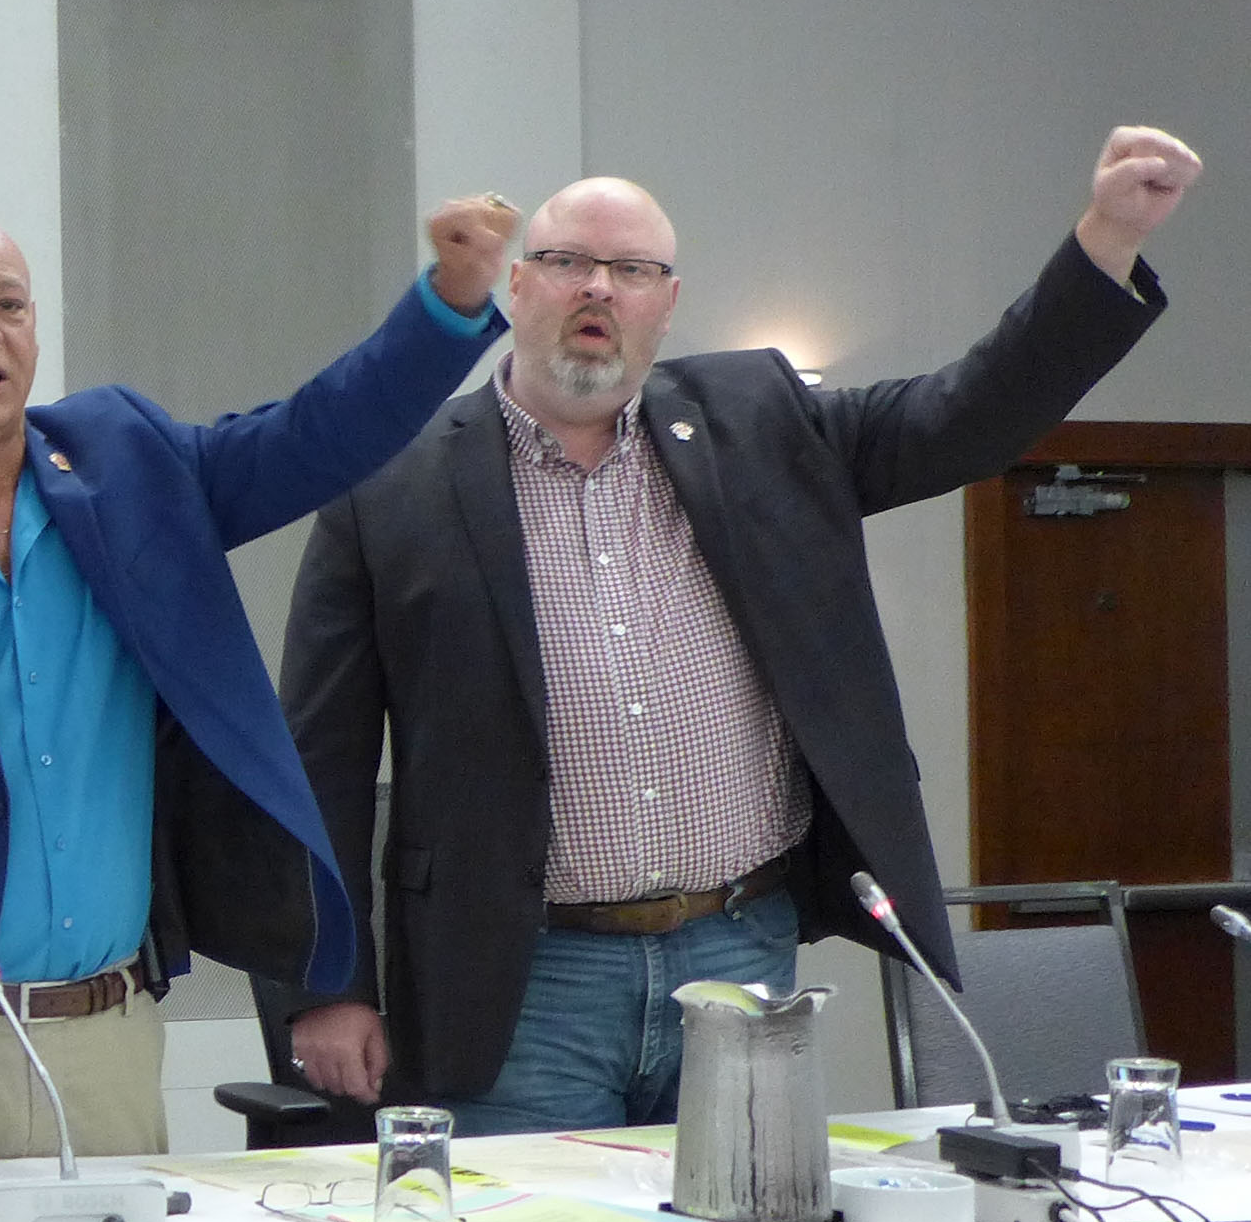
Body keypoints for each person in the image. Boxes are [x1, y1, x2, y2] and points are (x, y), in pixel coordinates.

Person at [274, 127, 1198, 1134]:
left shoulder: (762, 423)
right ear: (517, 289)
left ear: (665, 304)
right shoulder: (387, 483)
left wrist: (1105, 241)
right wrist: (326, 984)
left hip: (737, 949)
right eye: (569, 262)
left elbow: (964, 412)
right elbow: (315, 763)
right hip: (518, 980)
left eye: (632, 270)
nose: (599, 289)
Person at [0, 200, 517, 1175]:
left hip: (111, 1036)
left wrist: (446, 307)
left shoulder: (127, 464)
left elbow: (310, 437)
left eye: (10, 304)